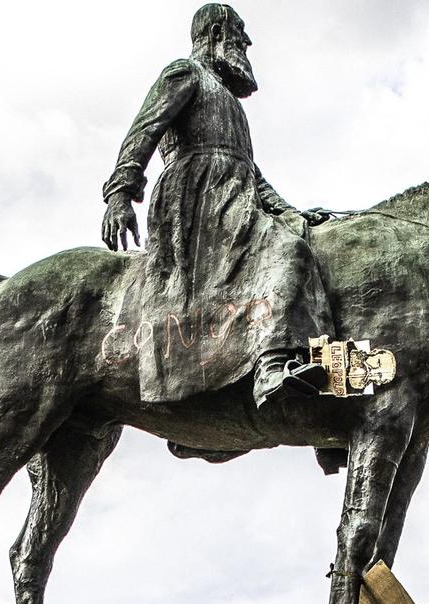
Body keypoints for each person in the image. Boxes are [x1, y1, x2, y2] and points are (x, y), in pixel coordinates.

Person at [100, 4, 337, 411]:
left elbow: (249, 170)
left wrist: (289, 211)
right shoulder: (185, 73)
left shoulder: (228, 100)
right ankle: (272, 365)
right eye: (240, 32)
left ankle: (327, 385)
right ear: (214, 33)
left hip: (235, 193)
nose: (247, 41)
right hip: (197, 197)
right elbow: (145, 129)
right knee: (288, 253)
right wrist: (120, 193)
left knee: (300, 240)